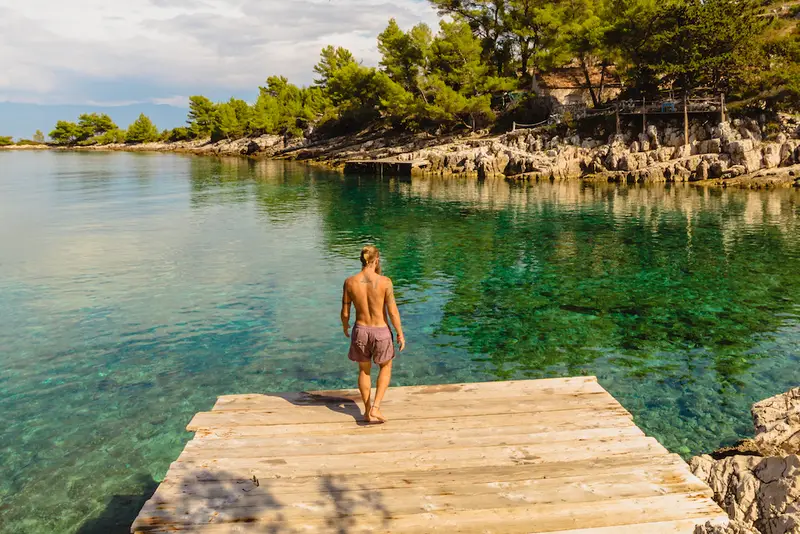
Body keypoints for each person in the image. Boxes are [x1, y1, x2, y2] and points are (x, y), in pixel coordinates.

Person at [341, 245, 405, 423]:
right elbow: (392, 312)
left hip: (360, 330)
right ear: (376, 260)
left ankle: (367, 410)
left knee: (364, 370)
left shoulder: (350, 282)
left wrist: (345, 326)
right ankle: (376, 407)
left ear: (362, 260)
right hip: (381, 331)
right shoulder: (385, 282)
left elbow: (345, 311)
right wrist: (400, 333)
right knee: (385, 367)